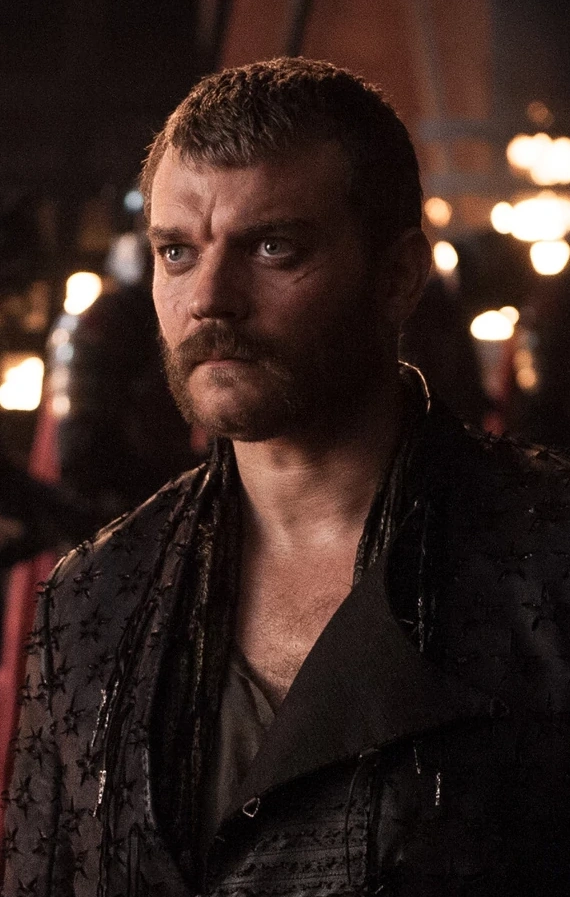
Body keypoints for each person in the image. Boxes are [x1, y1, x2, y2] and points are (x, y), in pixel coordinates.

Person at [3, 57, 570, 897]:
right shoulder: (94, 598)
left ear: (398, 276)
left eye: (274, 247)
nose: (209, 297)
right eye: (177, 251)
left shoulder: (547, 556)